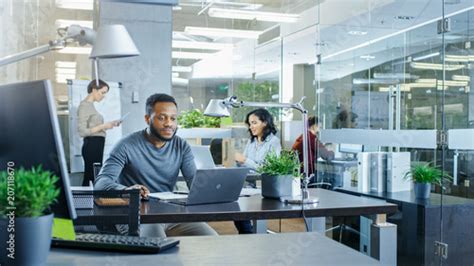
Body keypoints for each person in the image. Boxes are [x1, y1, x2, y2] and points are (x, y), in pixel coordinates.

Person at [94, 93, 217, 238]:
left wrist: (215, 187)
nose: (169, 123)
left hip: (169, 214)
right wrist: (128, 190)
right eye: (162, 117)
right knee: (157, 246)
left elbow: (195, 182)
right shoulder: (126, 145)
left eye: (173, 118)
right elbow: (101, 183)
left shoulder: (181, 146)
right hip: (135, 215)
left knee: (212, 240)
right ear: (147, 119)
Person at [234, 108, 281, 234]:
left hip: (263, 187)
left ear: (265, 122)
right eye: (250, 124)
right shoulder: (252, 141)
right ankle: (248, 234)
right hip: (248, 185)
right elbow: (244, 165)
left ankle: (249, 235)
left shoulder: (274, 142)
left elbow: (268, 170)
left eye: (254, 123)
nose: (251, 127)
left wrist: (245, 160)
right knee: (234, 207)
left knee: (239, 209)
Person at [77, 79, 120, 186]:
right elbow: (82, 132)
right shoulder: (84, 106)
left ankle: (92, 202)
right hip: (91, 145)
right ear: (94, 90)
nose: (103, 96)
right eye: (102, 92)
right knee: (90, 176)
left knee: (94, 175)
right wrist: (103, 126)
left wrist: (110, 124)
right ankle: (87, 202)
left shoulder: (91, 106)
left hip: (97, 144)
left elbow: (94, 128)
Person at [292, 116, 334, 182]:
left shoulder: (302, 136)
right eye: (319, 127)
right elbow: (326, 155)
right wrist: (332, 152)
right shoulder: (311, 138)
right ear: (314, 126)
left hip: (298, 173)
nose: (320, 129)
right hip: (307, 174)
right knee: (330, 179)